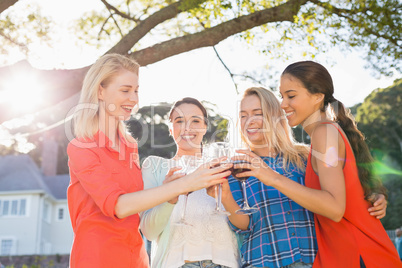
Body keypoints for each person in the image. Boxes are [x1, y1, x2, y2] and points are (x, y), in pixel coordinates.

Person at [66, 55, 231, 268]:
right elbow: (118, 206)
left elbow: (139, 207)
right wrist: (184, 185)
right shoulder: (82, 147)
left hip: (136, 258)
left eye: (136, 90)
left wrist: (167, 189)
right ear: (100, 91)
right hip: (97, 257)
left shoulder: (129, 146)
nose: (134, 99)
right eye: (125, 90)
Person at [232, 61, 400, 267]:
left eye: (291, 96)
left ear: (318, 96)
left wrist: (272, 177)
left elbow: (334, 207)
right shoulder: (322, 138)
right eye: (282, 96)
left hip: (361, 255)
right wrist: (375, 193)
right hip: (343, 256)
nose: (283, 104)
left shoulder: (324, 133)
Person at [140, 97, 241, 268]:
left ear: (205, 127)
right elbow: (149, 232)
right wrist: (171, 195)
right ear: (170, 128)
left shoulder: (222, 165)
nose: (187, 127)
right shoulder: (155, 166)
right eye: (180, 121)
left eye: (195, 120)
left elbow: (242, 221)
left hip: (226, 263)